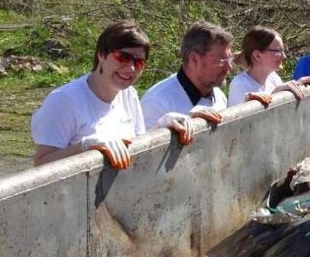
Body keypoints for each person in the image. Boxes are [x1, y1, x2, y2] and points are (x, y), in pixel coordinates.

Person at [31, 20, 193, 170]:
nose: (130, 69)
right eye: (123, 57)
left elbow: (135, 146)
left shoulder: (129, 95)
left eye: (138, 62)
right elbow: (41, 165)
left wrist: (162, 127)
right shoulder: (64, 101)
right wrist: (84, 147)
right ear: (101, 54)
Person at [141, 21, 233, 128]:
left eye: (230, 59)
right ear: (194, 60)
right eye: (221, 61)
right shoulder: (157, 102)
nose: (229, 67)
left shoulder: (219, 96)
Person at [228, 26, 310, 106]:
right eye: (278, 51)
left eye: (283, 50)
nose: (284, 56)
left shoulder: (273, 77)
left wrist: (301, 83)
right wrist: (276, 94)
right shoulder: (239, 84)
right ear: (257, 55)